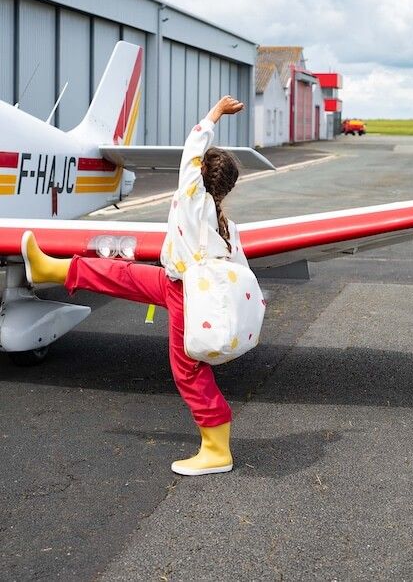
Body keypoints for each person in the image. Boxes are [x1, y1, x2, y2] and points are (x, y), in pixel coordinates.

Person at [21, 95, 248, 477]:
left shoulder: (192, 202)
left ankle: (216, 449)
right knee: (119, 273)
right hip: (174, 283)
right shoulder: (223, 223)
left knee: (187, 372)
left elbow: (192, 148)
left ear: (198, 175)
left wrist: (214, 115)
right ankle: (51, 268)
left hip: (188, 297)